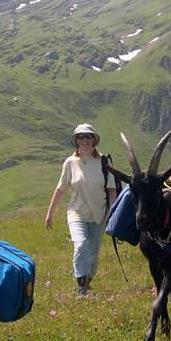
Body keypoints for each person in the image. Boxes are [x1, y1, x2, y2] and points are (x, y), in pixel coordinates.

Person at [45, 123, 117, 296]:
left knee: (93, 253)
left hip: (99, 214)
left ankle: (87, 280)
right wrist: (50, 213)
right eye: (81, 137)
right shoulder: (70, 163)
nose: (84, 140)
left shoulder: (104, 161)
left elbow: (112, 189)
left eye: (88, 136)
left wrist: (111, 213)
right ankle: (81, 286)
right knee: (81, 244)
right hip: (76, 212)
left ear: (94, 140)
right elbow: (61, 188)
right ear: (76, 141)